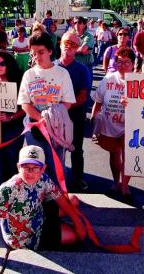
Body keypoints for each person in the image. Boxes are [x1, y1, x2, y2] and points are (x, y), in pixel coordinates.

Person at [0, 145, 86, 274]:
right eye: (26, 167)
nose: (30, 172)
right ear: (18, 167)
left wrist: (78, 222)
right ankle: (57, 226)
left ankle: (59, 223)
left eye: (35, 167)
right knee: (74, 236)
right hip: (26, 237)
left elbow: (58, 196)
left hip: (37, 212)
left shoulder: (43, 178)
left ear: (43, 168)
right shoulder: (9, 188)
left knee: (73, 200)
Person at [17, 31, 76, 184]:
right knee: (35, 167)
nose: (37, 56)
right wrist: (41, 118)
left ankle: (58, 201)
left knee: (56, 167)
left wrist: (52, 118)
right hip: (35, 130)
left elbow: (68, 101)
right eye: (33, 53)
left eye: (41, 52)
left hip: (56, 130)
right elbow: (25, 103)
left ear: (50, 51)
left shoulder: (62, 73)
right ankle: (38, 200)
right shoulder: (28, 75)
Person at [91, 47, 135, 204]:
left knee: (128, 155)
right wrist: (93, 118)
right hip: (109, 123)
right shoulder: (108, 79)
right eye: (119, 61)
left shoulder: (138, 80)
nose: (122, 65)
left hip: (130, 124)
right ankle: (116, 182)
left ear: (133, 64)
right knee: (114, 154)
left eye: (127, 62)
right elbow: (98, 101)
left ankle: (125, 186)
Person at [56, 31, 91, 191]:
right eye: (66, 43)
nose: (69, 47)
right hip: (55, 115)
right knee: (55, 148)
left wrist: (64, 107)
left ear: (77, 48)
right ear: (60, 44)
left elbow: (83, 96)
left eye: (74, 44)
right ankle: (56, 179)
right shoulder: (51, 67)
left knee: (76, 148)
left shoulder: (82, 70)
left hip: (75, 114)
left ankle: (77, 178)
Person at [0, 50, 25, 182]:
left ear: (9, 64)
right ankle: (4, 186)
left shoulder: (19, 81)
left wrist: (11, 117)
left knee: (13, 157)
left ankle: (16, 185)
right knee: (0, 157)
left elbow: (26, 107)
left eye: (2, 63)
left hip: (15, 126)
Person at [73, 17, 95, 82]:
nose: (77, 24)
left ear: (84, 24)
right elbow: (64, 49)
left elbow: (82, 50)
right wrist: (79, 50)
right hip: (73, 65)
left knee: (85, 89)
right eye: (75, 22)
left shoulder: (89, 37)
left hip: (86, 66)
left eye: (79, 22)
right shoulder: (71, 35)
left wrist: (71, 50)